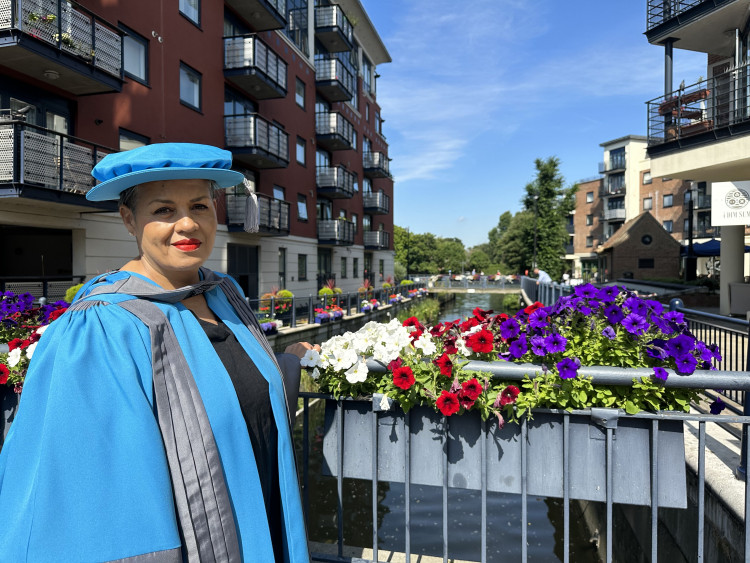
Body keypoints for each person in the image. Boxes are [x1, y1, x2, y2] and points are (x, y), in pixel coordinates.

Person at [0, 143, 312, 562]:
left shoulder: (225, 294)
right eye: (164, 210)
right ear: (129, 219)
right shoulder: (102, 327)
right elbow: (95, 497)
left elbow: (242, 391)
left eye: (200, 205)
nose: (188, 224)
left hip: (259, 519)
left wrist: (288, 361)